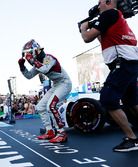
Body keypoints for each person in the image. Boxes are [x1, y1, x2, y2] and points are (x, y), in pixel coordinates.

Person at [80, 0, 138, 152]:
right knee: (132, 102)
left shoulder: (110, 13)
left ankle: (132, 139)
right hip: (129, 64)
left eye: (100, 3)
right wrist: (93, 26)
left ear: (109, 2)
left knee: (108, 98)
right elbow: (102, 38)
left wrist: (83, 28)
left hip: (123, 63)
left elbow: (87, 38)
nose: (98, 6)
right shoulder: (116, 17)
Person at [18, 39, 72, 143]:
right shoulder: (37, 63)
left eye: (28, 53)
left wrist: (33, 61)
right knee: (40, 107)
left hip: (64, 83)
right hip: (57, 84)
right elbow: (29, 76)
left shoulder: (48, 58)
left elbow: (45, 69)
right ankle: (50, 131)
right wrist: (22, 66)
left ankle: (61, 133)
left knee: (51, 106)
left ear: (35, 51)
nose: (27, 56)